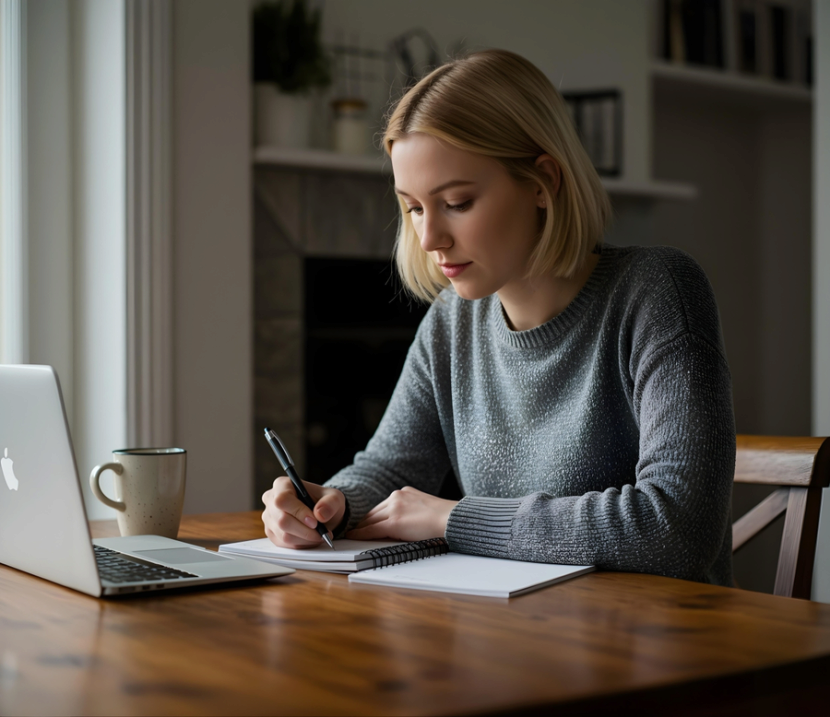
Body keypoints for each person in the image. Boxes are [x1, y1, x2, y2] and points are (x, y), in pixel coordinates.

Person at [261, 48, 736, 586]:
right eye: (414, 207)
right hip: (513, 628)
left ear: (541, 183)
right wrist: (330, 504)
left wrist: (454, 519)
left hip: (660, 632)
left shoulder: (656, 291)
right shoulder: (452, 322)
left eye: (457, 203)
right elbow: (391, 468)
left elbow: (678, 529)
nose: (428, 238)